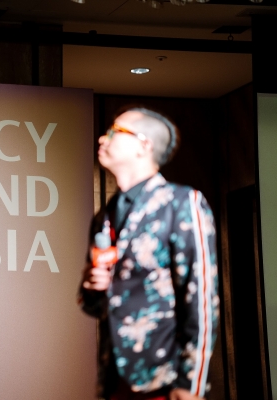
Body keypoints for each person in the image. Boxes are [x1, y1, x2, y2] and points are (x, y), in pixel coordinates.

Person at [79, 107, 219, 400]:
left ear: (144, 145)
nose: (103, 138)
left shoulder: (181, 202)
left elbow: (202, 296)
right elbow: (94, 306)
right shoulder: (104, 216)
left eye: (115, 132)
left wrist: (192, 383)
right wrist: (93, 288)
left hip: (165, 379)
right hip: (115, 380)